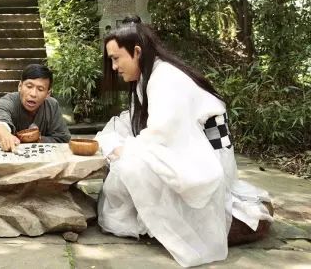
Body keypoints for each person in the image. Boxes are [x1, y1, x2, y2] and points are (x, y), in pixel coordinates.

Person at [95, 16, 272, 267]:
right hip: (190, 150)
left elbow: (163, 134)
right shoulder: (148, 77)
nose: (114, 67)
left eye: (116, 58)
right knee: (119, 145)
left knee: (130, 163)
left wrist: (126, 149)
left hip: (208, 158)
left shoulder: (166, 78)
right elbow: (139, 122)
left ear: (137, 52)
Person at [0, 64, 71, 151]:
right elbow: (0, 121)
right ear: (20, 86)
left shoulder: (52, 106)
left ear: (48, 94)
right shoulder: (7, 101)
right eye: (29, 86)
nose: (33, 94)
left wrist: (37, 139)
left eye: (40, 89)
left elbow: (63, 138)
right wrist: (5, 134)